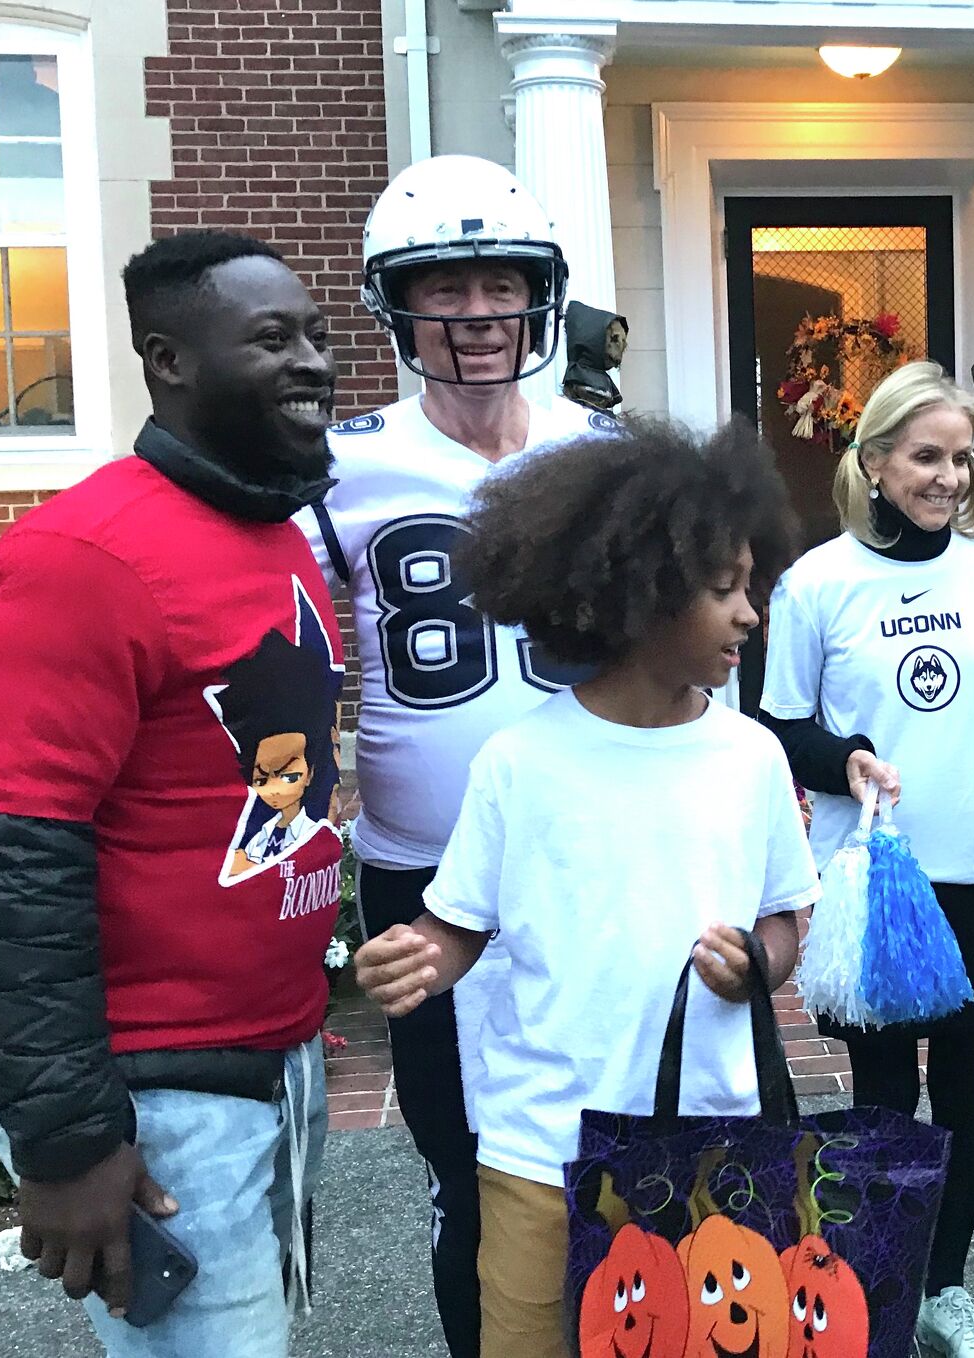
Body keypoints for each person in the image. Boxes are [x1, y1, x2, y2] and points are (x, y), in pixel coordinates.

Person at [0, 230, 344, 1357]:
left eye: (313, 332)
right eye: (271, 338)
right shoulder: (78, 557)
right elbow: (4, 856)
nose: (312, 359)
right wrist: (66, 1139)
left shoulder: (275, 532)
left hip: (273, 1061)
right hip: (158, 1093)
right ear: (167, 358)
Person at [352, 417, 819, 1357]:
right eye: (723, 589)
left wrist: (756, 964)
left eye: (751, 586)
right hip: (537, 1154)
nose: (749, 615)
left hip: (710, 1141)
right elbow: (460, 924)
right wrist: (423, 960)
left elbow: (787, 913)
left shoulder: (751, 755)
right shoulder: (521, 762)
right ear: (638, 591)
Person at [299, 153, 610, 1358]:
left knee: (610, 1137)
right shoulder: (338, 463)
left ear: (540, 292)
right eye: (444, 285)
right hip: (422, 869)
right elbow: (292, 656)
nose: (476, 313)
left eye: (500, 282)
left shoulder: (603, 446)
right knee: (465, 1169)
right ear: (396, 302)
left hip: (586, 847)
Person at [759, 360, 974, 1358]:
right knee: (883, 1095)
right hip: (877, 877)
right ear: (874, 460)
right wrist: (841, 761)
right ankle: (876, 1288)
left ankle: (946, 1291)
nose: (947, 477)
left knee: (965, 1094)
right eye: (926, 456)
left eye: (960, 456)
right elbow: (776, 722)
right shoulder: (816, 581)